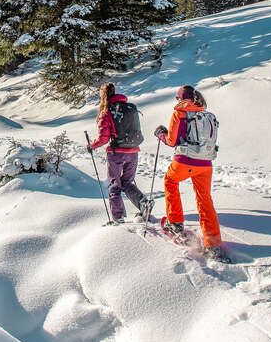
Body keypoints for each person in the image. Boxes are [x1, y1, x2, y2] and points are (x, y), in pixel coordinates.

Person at [154, 84, 228, 262]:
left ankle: (175, 223)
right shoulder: (207, 114)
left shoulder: (179, 113)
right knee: (204, 199)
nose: (177, 101)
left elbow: (172, 141)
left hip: (185, 160)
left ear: (181, 98)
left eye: (178, 98)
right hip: (206, 163)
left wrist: (161, 134)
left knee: (170, 182)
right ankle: (214, 244)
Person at [88, 82, 153, 223]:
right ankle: (143, 203)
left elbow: (104, 138)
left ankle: (118, 218)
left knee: (114, 185)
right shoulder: (130, 108)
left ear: (103, 95)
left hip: (116, 152)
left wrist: (92, 146)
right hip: (133, 151)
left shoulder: (107, 111)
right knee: (127, 182)